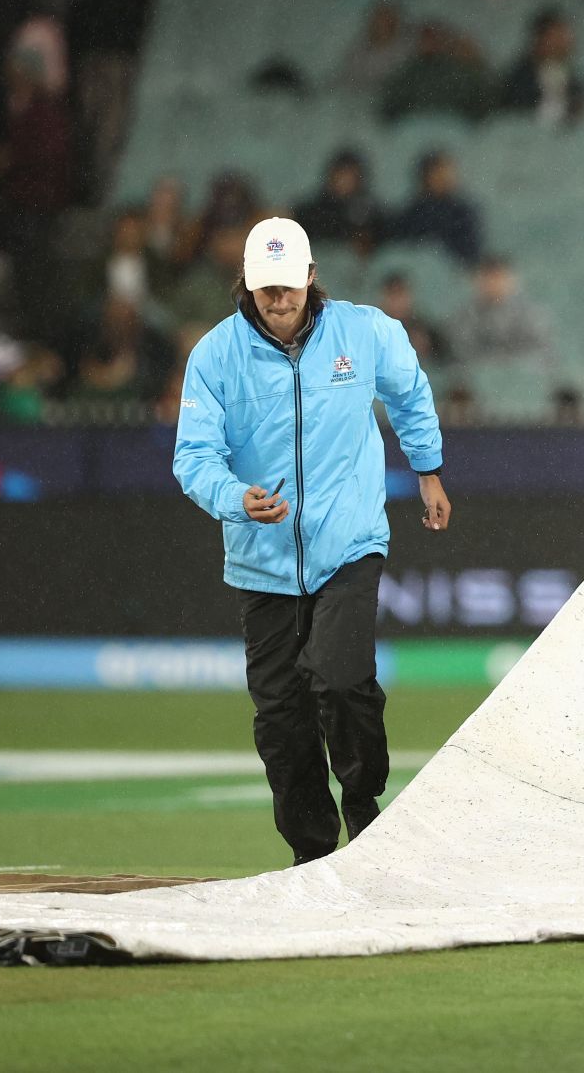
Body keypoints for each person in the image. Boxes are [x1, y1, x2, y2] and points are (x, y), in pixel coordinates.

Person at [173, 217, 451, 866]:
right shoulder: (214, 356)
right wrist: (233, 498)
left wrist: (428, 468)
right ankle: (313, 854)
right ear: (245, 282)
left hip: (349, 543)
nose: (278, 299)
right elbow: (194, 456)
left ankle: (362, 801)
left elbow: (410, 393)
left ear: (311, 275)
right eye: (265, 287)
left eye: (288, 285)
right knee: (280, 718)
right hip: (259, 561)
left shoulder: (367, 331)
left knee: (340, 674)